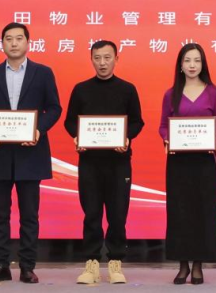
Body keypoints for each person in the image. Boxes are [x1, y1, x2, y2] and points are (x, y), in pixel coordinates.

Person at [0, 22, 62, 284]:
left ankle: (27, 267)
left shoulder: (43, 73)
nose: (13, 43)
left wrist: (38, 130)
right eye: (8, 39)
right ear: (2, 43)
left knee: (29, 215)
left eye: (19, 38)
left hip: (31, 153)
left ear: (28, 43)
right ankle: (0, 265)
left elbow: (54, 108)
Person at [64, 40, 144, 284]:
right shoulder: (81, 89)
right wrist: (77, 136)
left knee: (118, 214)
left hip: (119, 162)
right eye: (97, 58)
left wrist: (127, 138)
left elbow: (137, 121)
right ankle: (91, 264)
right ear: (91, 59)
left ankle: (115, 262)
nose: (102, 63)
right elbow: (70, 121)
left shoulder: (127, 89)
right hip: (90, 162)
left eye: (107, 57)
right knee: (91, 213)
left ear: (116, 59)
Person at [158, 43, 216, 285]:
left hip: (205, 161)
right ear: (180, 65)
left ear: (203, 64)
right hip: (178, 162)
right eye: (187, 60)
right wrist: (167, 139)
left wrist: (215, 140)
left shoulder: (213, 92)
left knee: (203, 211)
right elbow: (163, 125)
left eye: (197, 60)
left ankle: (198, 264)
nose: (192, 65)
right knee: (180, 212)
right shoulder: (171, 94)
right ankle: (182, 265)